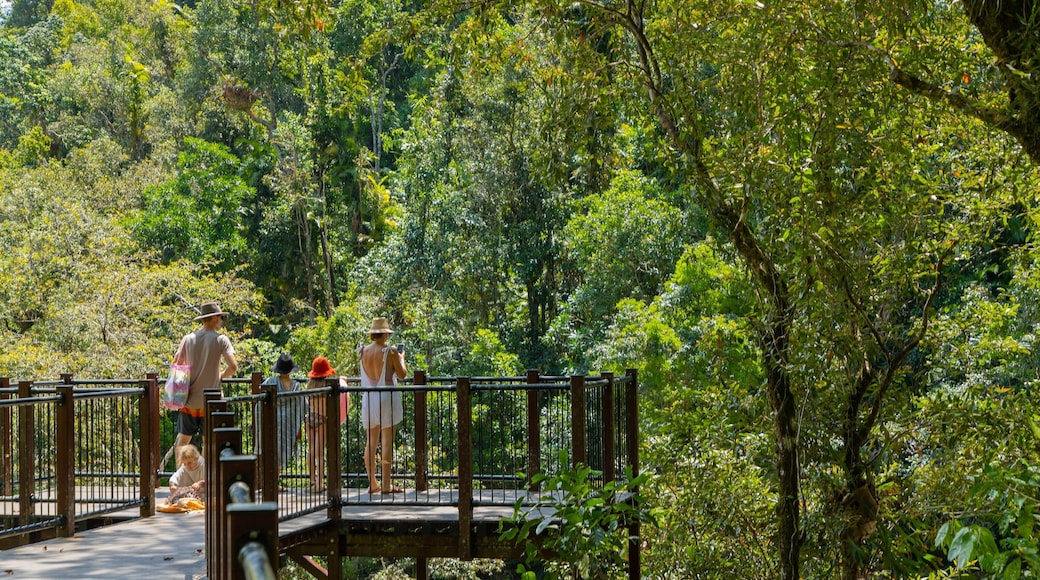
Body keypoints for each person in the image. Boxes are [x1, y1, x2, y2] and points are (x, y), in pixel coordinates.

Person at [172, 301, 238, 464]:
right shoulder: (221, 339)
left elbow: (177, 364)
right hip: (211, 400)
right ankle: (204, 479)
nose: (222, 321)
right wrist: (220, 375)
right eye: (221, 318)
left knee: (183, 439)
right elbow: (233, 367)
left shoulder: (188, 339)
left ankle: (179, 476)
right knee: (208, 441)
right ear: (215, 318)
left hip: (189, 399)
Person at [359, 317, 407, 494]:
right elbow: (401, 375)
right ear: (385, 334)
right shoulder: (391, 351)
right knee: (386, 441)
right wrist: (401, 358)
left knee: (371, 441)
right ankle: (386, 485)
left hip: (368, 398)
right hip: (386, 396)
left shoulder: (363, 351)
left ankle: (372, 483)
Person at [262, 354, 305, 489]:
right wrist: (298, 426)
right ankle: (273, 483)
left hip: (271, 422)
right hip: (289, 424)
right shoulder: (296, 386)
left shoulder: (271, 381)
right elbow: (302, 405)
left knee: (271, 452)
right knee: (281, 453)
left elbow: (260, 394)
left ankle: (270, 483)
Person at [304, 356, 345, 492]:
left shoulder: (310, 386)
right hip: (322, 420)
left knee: (311, 451)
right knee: (320, 454)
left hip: (310, 418)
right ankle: (320, 483)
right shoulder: (326, 387)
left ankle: (312, 481)